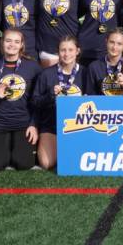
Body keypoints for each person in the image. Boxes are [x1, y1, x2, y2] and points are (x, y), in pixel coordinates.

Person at [0, 29, 41, 172]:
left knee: (23, 164)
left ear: (22, 45)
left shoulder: (33, 67)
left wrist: (34, 124)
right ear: (2, 43)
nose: (12, 45)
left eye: (16, 41)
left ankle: (13, 146)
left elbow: (37, 101)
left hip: (23, 124)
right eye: (8, 40)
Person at [33, 35, 89, 170]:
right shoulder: (46, 74)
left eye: (70, 50)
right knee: (46, 163)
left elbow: (94, 100)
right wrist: (51, 95)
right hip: (51, 123)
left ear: (77, 51)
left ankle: (66, 145)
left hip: (78, 125)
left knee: (76, 161)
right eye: (63, 50)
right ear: (58, 52)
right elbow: (35, 101)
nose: (67, 54)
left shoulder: (86, 73)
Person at [86, 28, 123, 95]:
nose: (114, 47)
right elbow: (90, 95)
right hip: (103, 105)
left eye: (119, 44)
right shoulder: (94, 67)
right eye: (111, 42)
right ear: (106, 42)